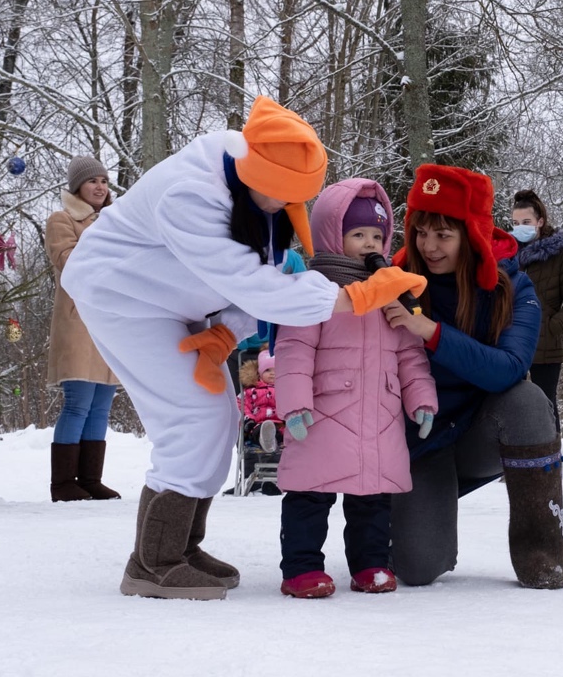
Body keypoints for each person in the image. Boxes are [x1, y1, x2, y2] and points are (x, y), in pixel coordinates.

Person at [60, 96, 426, 600]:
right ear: (259, 178)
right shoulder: (190, 196)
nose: (285, 207)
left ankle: (181, 549)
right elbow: (252, 285)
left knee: (221, 418)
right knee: (191, 419)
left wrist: (226, 332)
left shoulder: (263, 179)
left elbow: (262, 275)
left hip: (176, 302)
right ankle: (153, 562)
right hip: (123, 299)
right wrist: (354, 298)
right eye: (282, 198)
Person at [385, 164, 563, 589]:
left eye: (443, 235)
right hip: (418, 441)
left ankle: (541, 553)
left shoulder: (511, 286)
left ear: (471, 235)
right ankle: (430, 507)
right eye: (420, 232)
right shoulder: (393, 283)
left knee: (527, 401)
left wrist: (430, 333)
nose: (428, 246)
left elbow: (509, 368)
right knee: (416, 568)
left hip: (479, 433)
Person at [273, 178, 438, 598]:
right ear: (333, 234)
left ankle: (370, 565)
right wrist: (293, 405)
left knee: (372, 498)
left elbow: (409, 356)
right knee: (310, 496)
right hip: (321, 415)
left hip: (379, 415)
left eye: (377, 236)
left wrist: (421, 400)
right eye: (358, 234)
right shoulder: (314, 291)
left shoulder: (391, 294)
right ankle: (302, 567)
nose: (369, 244)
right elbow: (293, 350)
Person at [45, 156, 121, 502]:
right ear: (78, 186)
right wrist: (104, 231)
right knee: (78, 402)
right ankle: (62, 483)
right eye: (93, 181)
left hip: (109, 320)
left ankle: (90, 479)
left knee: (102, 404)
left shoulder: (116, 221)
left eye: (105, 181)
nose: (101, 187)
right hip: (78, 321)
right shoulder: (62, 220)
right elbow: (69, 261)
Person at [510, 189, 563, 432]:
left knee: (545, 405)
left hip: (546, 347)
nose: (520, 227)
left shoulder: (559, 255)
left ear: (540, 222)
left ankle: (550, 461)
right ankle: (515, 461)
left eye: (526, 222)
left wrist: (551, 327)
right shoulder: (508, 255)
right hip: (511, 345)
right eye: (515, 223)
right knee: (511, 404)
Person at [239, 350, 281, 454]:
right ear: (259, 373)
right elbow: (241, 404)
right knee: (258, 431)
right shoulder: (252, 391)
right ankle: (267, 440)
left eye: (276, 370)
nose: (272, 373)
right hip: (258, 424)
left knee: (283, 433)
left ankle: (271, 441)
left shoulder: (285, 390)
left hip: (280, 424)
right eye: (267, 370)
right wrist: (249, 420)